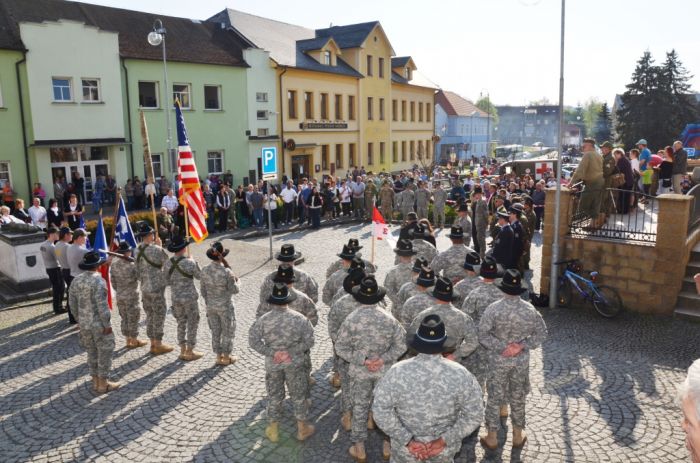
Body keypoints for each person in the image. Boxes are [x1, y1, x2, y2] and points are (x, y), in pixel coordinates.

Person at [372, 314, 484, 463]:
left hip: (405, 451)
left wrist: (408, 440)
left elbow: (380, 411)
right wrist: (443, 441)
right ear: (443, 343)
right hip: (443, 451)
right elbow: (474, 414)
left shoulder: (396, 372)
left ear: (417, 342)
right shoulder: (461, 374)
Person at [334, 276, 406, 462]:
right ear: (377, 296)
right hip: (384, 372)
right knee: (386, 407)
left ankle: (359, 448)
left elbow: (340, 348)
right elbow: (402, 345)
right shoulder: (389, 318)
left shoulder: (351, 319)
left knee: (359, 407)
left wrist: (364, 361)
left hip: (360, 372)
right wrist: (382, 359)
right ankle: (387, 445)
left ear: (359, 297)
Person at [479, 269, 547, 450]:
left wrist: (503, 347)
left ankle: (492, 436)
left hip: (498, 360)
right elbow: (542, 333)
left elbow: (482, 335)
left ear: (503, 288)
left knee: (494, 396)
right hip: (520, 361)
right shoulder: (530, 309)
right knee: (518, 396)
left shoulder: (493, 309)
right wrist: (521, 345)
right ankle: (518, 435)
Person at [249, 283, 316, 443]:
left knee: (274, 396)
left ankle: (273, 429)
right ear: (289, 300)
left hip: (273, 364)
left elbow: (253, 341)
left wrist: (274, 353)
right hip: (295, 363)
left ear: (272, 301)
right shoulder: (300, 319)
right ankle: (302, 429)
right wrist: (290, 352)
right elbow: (310, 341)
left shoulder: (263, 320)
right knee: (299, 395)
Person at [69, 251, 120, 393]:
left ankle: (95, 382)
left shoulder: (76, 280)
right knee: (104, 352)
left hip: (84, 324)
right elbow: (102, 306)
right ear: (97, 265)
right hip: (99, 325)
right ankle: (103, 384)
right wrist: (107, 325)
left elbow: (72, 304)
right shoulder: (98, 280)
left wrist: (79, 320)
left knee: (91, 352)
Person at [328, 267, 367, 419]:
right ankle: (369, 418)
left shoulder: (339, 303)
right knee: (367, 388)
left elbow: (332, 328)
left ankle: (347, 418)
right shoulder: (375, 306)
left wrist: (340, 346)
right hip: (367, 355)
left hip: (345, 354)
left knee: (346, 387)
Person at [134, 222, 173, 356]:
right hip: (156, 287)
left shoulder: (137, 250)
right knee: (159, 314)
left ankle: (152, 342)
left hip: (144, 287)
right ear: (150, 235)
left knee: (150, 315)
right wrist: (160, 247)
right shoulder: (156, 250)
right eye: (153, 234)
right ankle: (158, 344)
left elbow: (137, 271)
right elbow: (167, 265)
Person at [200, 241, 240, 366]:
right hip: (225, 307)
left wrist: (210, 301)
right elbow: (235, 290)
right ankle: (227, 356)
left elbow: (203, 291)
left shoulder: (204, 270)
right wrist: (239, 282)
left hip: (211, 307)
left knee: (216, 331)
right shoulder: (227, 272)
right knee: (228, 331)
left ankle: (218, 356)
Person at [164, 236, 203, 361]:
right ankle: (190, 350)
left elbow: (166, 281)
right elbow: (200, 276)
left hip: (175, 298)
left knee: (180, 322)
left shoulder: (167, 263)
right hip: (189, 298)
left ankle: (182, 350)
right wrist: (194, 262)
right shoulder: (189, 262)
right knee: (192, 322)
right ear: (184, 248)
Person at [110, 241, 147, 349]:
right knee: (133, 317)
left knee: (124, 317)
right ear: (127, 252)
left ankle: (127, 340)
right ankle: (134, 340)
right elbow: (140, 278)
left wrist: (120, 290)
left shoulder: (114, 264)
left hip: (120, 295)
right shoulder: (132, 265)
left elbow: (113, 282)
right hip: (132, 295)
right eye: (130, 250)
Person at [570, 138, 605, 227]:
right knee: (595, 204)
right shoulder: (599, 155)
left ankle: (593, 222)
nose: (583, 148)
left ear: (589, 146)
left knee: (583, 205)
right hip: (600, 181)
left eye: (584, 146)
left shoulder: (587, 155)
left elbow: (580, 170)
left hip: (592, 182)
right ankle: (593, 224)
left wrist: (570, 183)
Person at [383, 239, 418, 307]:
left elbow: (388, 290)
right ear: (412, 255)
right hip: (417, 306)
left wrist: (400, 303)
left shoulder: (392, 272)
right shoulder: (420, 270)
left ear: (399, 255)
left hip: (400, 308)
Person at [40, 226, 66, 315]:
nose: (58, 235)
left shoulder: (43, 245)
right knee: (60, 289)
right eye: (57, 233)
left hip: (48, 268)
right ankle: (58, 307)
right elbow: (59, 258)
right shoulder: (52, 247)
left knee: (56, 288)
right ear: (51, 234)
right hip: (56, 269)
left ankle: (56, 306)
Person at [54, 227, 74, 322]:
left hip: (64, 270)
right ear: (66, 235)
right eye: (70, 234)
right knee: (72, 294)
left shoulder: (57, 244)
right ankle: (72, 316)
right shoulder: (67, 246)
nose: (72, 236)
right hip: (70, 271)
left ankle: (71, 314)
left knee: (70, 293)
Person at [614, 148, 634, 214]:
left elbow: (618, 170)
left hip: (626, 181)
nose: (615, 156)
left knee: (624, 196)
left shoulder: (621, 160)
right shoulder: (625, 159)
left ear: (620, 154)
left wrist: (615, 163)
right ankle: (624, 210)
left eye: (615, 154)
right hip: (629, 181)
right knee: (625, 196)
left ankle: (623, 211)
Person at [600, 141, 618, 217]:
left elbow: (607, 171)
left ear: (608, 149)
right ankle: (604, 215)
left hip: (606, 180)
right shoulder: (604, 156)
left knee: (604, 198)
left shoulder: (610, 158)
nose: (601, 149)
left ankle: (604, 215)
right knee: (604, 198)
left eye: (603, 148)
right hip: (603, 180)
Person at [472, 186, 489, 259]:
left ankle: (482, 256)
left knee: (481, 240)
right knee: (478, 239)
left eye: (479, 194)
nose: (477, 195)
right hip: (477, 223)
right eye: (476, 194)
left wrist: (486, 224)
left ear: (481, 194)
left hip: (481, 224)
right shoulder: (477, 201)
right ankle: (480, 254)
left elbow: (486, 214)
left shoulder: (483, 202)